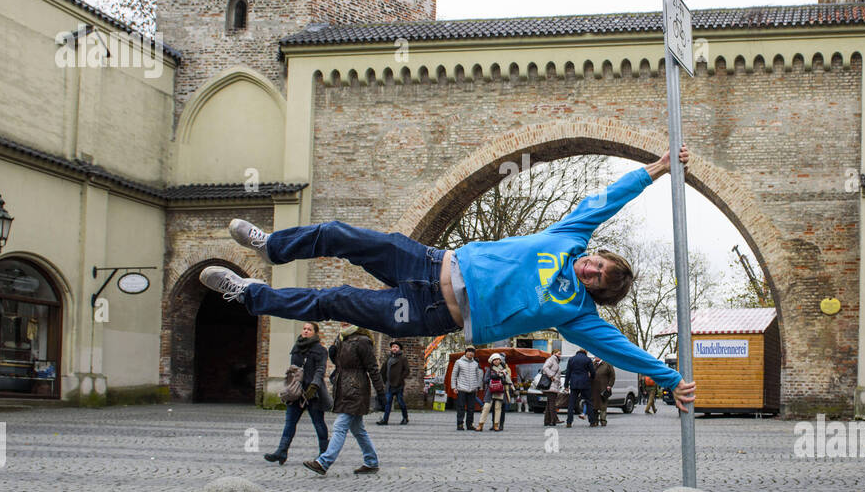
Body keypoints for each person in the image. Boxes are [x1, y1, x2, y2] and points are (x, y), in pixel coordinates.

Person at [200, 146, 698, 412]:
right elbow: (604, 201)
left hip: (430, 311)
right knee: (339, 233)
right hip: (428, 261)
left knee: (336, 301)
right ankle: (272, 246)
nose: (591, 268)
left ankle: (249, 294)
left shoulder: (576, 314)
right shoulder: (569, 237)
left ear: (598, 290)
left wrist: (671, 380)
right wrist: (653, 170)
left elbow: (621, 350)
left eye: (600, 277)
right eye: (597, 262)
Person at [303, 324, 383, 476]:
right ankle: (371, 462)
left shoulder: (362, 341)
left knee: (340, 426)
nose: (343, 323)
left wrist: (381, 392)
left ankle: (323, 462)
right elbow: (342, 365)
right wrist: (334, 355)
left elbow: (373, 368)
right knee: (358, 429)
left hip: (356, 389)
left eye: (348, 321)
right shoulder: (341, 338)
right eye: (342, 320)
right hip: (343, 387)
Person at [264, 321, 329, 464]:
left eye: (309, 329)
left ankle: (324, 453)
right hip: (296, 391)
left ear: (315, 333)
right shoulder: (297, 347)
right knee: (290, 422)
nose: (305, 331)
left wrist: (314, 385)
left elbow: (320, 370)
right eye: (304, 329)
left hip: (313, 393)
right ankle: (281, 451)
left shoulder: (320, 350)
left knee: (318, 422)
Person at [377, 340, 410, 425]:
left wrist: (400, 379)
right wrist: (384, 380)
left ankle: (405, 418)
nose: (394, 348)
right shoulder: (388, 358)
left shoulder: (403, 358)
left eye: (396, 347)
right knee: (387, 402)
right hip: (389, 384)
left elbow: (407, 370)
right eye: (393, 347)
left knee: (400, 402)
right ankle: (385, 420)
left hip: (398, 384)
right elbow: (383, 370)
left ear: (399, 349)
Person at [476, 354, 511, 432]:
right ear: (492, 361)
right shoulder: (489, 369)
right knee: (486, 407)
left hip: (500, 391)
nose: (496, 361)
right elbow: (485, 380)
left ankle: (496, 425)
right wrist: (494, 378)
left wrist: (503, 379)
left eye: (498, 359)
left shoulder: (504, 369)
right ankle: (480, 424)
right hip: (490, 391)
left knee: (498, 408)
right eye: (494, 360)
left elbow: (508, 380)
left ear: (500, 360)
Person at [453, 345, 483, 431]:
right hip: (461, 388)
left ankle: (470, 424)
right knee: (461, 407)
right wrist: (454, 387)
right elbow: (454, 375)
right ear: (465, 352)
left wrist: (478, 386)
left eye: (472, 352)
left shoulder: (475, 364)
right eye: (469, 351)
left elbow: (478, 376)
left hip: (472, 389)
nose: (470, 353)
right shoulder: (459, 362)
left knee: (471, 408)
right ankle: (460, 424)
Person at [565, 348, 594, 428]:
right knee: (588, 402)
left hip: (574, 383)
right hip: (585, 383)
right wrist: (591, 378)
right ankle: (592, 421)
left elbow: (568, 373)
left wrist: (566, 385)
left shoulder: (571, 359)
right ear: (586, 352)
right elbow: (592, 372)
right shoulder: (588, 359)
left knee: (571, 403)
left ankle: (569, 422)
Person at [539, 349, 562, 427]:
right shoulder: (551, 359)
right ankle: (553, 420)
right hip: (550, 385)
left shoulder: (556, 361)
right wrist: (551, 376)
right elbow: (545, 367)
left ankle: (547, 421)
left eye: (560, 354)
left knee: (549, 403)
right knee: (552, 404)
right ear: (554, 353)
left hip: (554, 385)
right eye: (558, 353)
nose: (560, 355)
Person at [590, 355, 615, 427]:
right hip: (594, 388)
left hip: (603, 388)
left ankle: (603, 421)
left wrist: (610, 385)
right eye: (594, 356)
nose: (595, 358)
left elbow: (612, 376)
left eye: (596, 356)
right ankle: (595, 421)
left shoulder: (607, 364)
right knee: (594, 405)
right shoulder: (593, 364)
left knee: (603, 406)